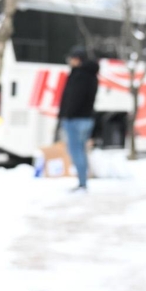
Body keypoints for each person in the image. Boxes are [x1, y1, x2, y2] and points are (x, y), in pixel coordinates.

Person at [58, 46, 100, 191]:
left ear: (77, 59)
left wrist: (65, 115)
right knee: (81, 150)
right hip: (87, 119)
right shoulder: (92, 74)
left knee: (76, 151)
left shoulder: (79, 75)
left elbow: (73, 99)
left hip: (75, 120)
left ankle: (82, 182)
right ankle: (83, 181)